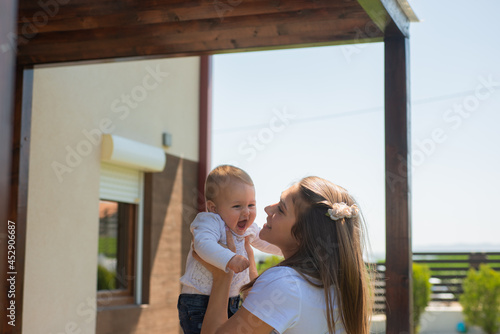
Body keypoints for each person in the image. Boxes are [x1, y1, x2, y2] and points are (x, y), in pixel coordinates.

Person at [196, 176, 373, 334]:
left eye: (281, 209)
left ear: (302, 234)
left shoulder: (285, 283)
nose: (267, 209)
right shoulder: (333, 285)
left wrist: (223, 275)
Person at [178, 165, 282, 334]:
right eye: (237, 206)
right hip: (198, 301)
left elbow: (267, 243)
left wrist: (289, 250)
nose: (246, 213)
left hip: (233, 300)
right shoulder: (210, 221)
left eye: (251, 205)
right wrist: (229, 258)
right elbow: (202, 244)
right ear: (213, 208)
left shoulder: (249, 229)